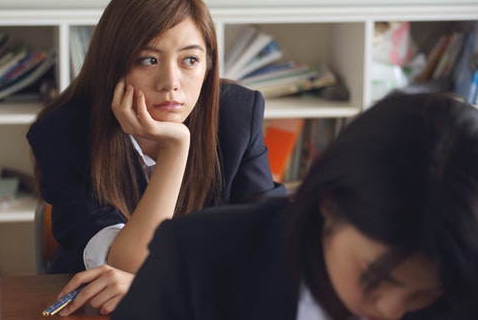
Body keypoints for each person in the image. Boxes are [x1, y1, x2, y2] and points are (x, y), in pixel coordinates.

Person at [26, 0, 286, 315]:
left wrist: (166, 284)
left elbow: (272, 242)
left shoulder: (237, 115)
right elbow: (131, 263)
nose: (171, 84)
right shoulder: (62, 134)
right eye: (148, 60)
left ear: (208, 65)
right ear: (114, 64)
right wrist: (176, 148)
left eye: (190, 60)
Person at [110, 92, 478, 320]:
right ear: (329, 204)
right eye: (374, 277)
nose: (391, 311)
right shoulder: (197, 261)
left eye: (426, 292)